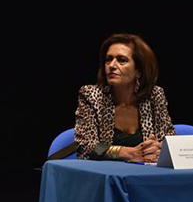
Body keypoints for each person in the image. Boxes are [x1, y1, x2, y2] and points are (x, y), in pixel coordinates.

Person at [75, 33, 175, 161]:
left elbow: (170, 141)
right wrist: (127, 153)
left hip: (145, 173)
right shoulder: (91, 95)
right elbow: (86, 146)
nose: (111, 65)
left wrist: (157, 148)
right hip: (106, 173)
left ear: (139, 70)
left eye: (121, 60)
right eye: (108, 59)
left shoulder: (154, 95)